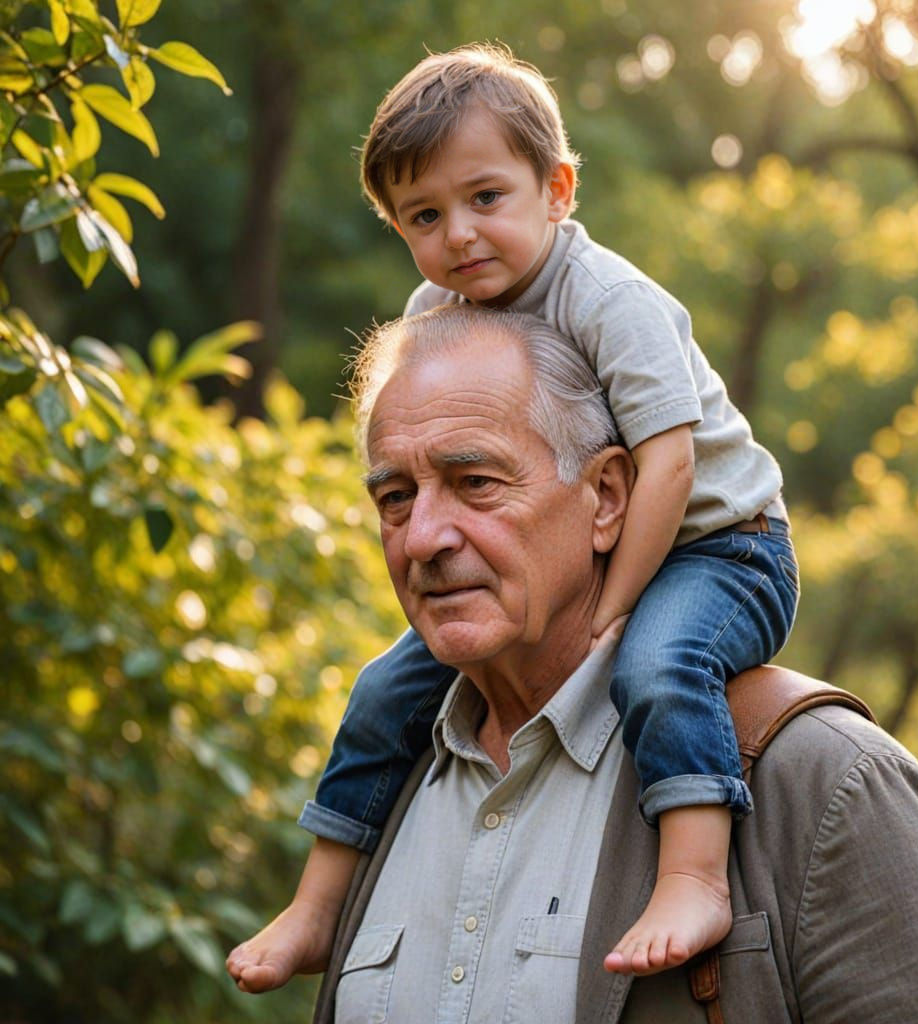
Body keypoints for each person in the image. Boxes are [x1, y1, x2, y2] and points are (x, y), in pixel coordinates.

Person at [228, 42, 799, 993]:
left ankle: (693, 875)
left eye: (486, 198)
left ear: (558, 188)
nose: (460, 234)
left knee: (661, 666)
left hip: (720, 546)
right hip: (585, 555)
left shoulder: (609, 299)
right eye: (424, 216)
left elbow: (665, 464)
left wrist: (608, 612)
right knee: (379, 693)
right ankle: (320, 906)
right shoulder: (437, 314)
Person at [304, 304, 918, 1023]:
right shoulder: (380, 787)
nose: (423, 537)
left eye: (476, 483)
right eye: (396, 497)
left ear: (608, 497)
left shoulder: (824, 780)